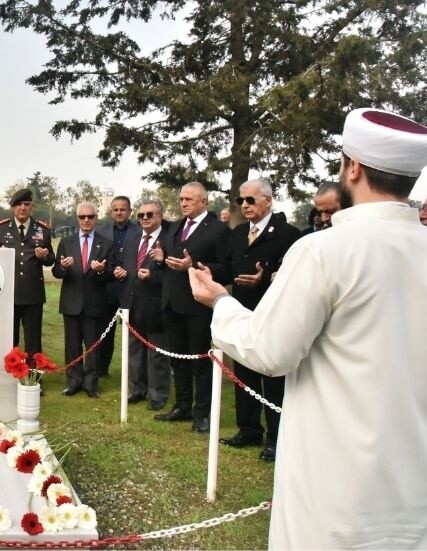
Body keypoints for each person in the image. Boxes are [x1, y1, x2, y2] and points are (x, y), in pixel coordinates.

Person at [188, 107, 427, 549]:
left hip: (336, 484)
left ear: (352, 168)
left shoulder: (321, 250)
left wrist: (219, 301)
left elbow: (269, 350)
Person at [219, 178, 300, 462]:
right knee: (244, 374)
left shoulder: (289, 235)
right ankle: (248, 429)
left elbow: (293, 277)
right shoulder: (238, 232)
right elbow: (229, 268)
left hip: (272, 315)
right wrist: (203, 271)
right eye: (242, 200)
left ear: (268, 200)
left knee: (272, 379)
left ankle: (276, 438)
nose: (244, 205)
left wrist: (263, 279)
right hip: (243, 313)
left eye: (250, 200)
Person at [152, 182, 229, 433]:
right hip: (172, 303)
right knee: (179, 360)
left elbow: (225, 267)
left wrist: (192, 264)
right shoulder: (175, 227)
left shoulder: (218, 230)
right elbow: (168, 261)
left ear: (203, 202)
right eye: (181, 199)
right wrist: (162, 260)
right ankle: (182, 406)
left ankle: (202, 413)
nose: (183, 203)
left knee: (200, 362)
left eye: (188, 199)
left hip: (197, 306)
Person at [52, 202, 116, 398]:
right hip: (71, 303)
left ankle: (91, 384)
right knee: (72, 346)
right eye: (82, 217)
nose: (86, 220)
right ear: (77, 219)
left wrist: (101, 271)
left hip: (95, 303)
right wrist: (62, 267)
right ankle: (73, 381)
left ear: (96, 218)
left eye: (90, 217)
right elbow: (56, 271)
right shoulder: (66, 242)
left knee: (93, 347)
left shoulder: (106, 243)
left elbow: (112, 273)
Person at [120, 200, 171, 410]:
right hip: (132, 303)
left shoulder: (168, 240)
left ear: (160, 216)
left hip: (156, 303)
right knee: (134, 350)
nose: (145, 218)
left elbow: (172, 273)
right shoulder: (132, 239)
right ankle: (137, 389)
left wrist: (154, 274)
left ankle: (158, 394)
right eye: (141, 215)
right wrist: (120, 272)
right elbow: (127, 267)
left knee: (157, 352)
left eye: (150, 214)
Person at [0, 188, 56, 353]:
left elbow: (51, 259)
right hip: (7, 292)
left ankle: (33, 375)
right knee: (9, 337)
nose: (22, 208)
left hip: (32, 293)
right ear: (13, 207)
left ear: (32, 206)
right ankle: (10, 374)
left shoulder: (43, 230)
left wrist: (44, 256)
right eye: (18, 204)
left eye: (26, 204)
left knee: (33, 338)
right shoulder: (1, 228)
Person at [98, 195, 140, 377]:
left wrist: (126, 271)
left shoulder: (139, 230)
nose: (119, 212)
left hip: (131, 288)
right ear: (111, 211)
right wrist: (113, 269)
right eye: (115, 209)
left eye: (123, 209)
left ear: (130, 211)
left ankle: (134, 373)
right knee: (105, 332)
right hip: (108, 286)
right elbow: (98, 255)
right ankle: (102, 370)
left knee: (134, 334)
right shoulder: (101, 231)